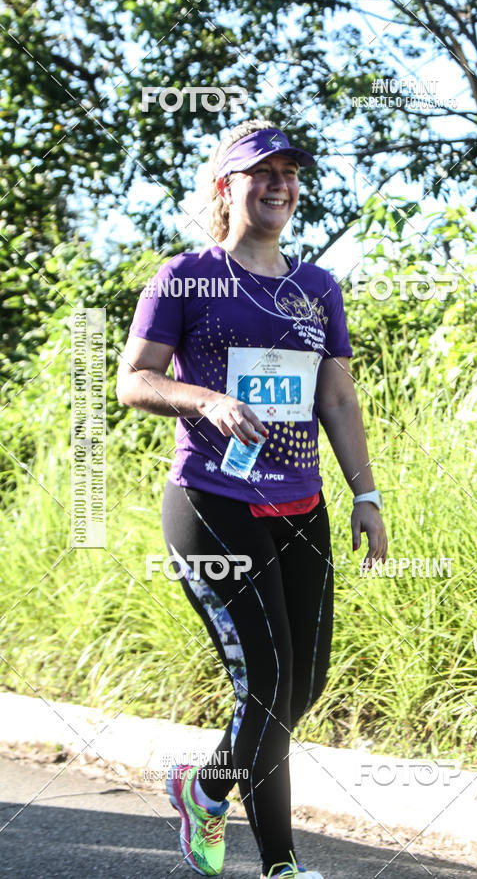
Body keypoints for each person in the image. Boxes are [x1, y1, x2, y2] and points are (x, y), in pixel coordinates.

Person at [117, 119, 388, 879]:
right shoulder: (185, 276)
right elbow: (133, 379)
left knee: (304, 684)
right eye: (260, 172)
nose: (279, 184)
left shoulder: (317, 287)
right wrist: (204, 400)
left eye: (288, 173)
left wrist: (365, 494)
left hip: (301, 506)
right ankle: (279, 862)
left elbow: (336, 397)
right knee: (265, 682)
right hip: (212, 503)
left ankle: (204, 791)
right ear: (225, 188)